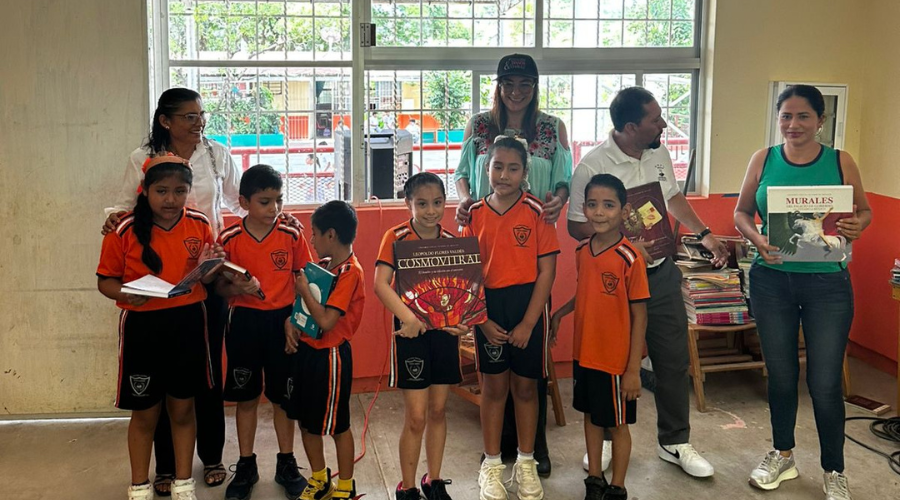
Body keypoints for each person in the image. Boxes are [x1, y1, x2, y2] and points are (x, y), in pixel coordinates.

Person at [567, 86, 726, 479]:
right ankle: (603, 441)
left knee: (673, 360)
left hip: (660, 275)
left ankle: (674, 441)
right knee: (608, 364)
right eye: (656, 119)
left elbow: (672, 198)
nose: (663, 124)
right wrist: (621, 240)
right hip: (614, 283)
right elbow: (574, 225)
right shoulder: (591, 165)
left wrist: (703, 231)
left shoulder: (659, 153)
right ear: (630, 126)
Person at [734, 84, 871, 500]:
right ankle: (783, 453)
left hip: (827, 283)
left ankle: (834, 470)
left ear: (820, 120)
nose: (793, 125)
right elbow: (741, 212)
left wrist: (856, 225)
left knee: (826, 382)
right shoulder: (763, 159)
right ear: (778, 119)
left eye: (803, 117)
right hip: (771, 279)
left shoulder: (839, 161)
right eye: (786, 116)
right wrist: (756, 239)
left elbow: (863, 211)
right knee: (781, 375)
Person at [102, 88, 242, 494]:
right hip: (155, 284)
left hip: (206, 280)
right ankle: (165, 468)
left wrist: (270, 227)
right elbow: (126, 208)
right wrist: (111, 221)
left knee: (206, 372)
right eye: (188, 117)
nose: (198, 123)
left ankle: (212, 456)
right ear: (166, 120)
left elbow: (239, 201)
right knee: (159, 387)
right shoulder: (141, 157)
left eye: (201, 115)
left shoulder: (215, 153)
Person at [455, 53, 571, 475]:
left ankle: (532, 449)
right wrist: (466, 198)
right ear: (498, 86)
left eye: (525, 83)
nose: (516, 91)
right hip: (488, 235)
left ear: (535, 86)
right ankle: (496, 451)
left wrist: (558, 199)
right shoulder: (479, 125)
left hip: (534, 240)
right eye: (509, 83)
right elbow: (463, 172)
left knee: (528, 368)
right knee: (496, 371)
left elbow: (563, 177)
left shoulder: (551, 127)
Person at [96, 156, 224, 500]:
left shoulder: (198, 224)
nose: (171, 199)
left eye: (180, 191)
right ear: (146, 191)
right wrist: (124, 294)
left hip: (187, 324)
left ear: (188, 192)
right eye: (162, 191)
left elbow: (204, 278)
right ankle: (139, 486)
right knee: (145, 411)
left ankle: (184, 483)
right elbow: (105, 281)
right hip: (143, 326)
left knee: (183, 409)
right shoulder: (122, 229)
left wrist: (207, 266)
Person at [461, 137, 559, 500]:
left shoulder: (537, 211)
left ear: (524, 172)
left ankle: (527, 462)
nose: (504, 175)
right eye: (497, 166)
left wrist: (530, 323)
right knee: (494, 388)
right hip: (489, 308)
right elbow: (468, 274)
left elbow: (547, 271)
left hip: (528, 305)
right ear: (486, 170)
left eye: (513, 168)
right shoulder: (473, 214)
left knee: (525, 388)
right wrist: (482, 319)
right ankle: (491, 465)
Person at [215, 165, 314, 500]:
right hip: (244, 324)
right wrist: (233, 284)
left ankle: (286, 462)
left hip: (283, 323)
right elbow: (216, 287)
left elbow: (306, 282)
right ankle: (246, 464)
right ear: (243, 201)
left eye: (279, 200)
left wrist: (295, 320)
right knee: (245, 398)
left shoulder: (292, 234)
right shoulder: (229, 239)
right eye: (264, 201)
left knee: (283, 399)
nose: (274, 208)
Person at [550, 174, 649, 500]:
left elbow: (639, 315)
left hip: (616, 361)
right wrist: (561, 313)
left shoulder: (630, 258)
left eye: (609, 205)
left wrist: (633, 369)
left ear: (624, 210)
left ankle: (617, 487)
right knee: (591, 418)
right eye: (592, 204)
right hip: (585, 355)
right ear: (584, 209)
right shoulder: (581, 250)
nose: (600, 212)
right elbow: (586, 293)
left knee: (618, 426)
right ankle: (595, 479)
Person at [374, 172, 470, 500]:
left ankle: (435, 480)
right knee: (416, 417)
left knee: (439, 411)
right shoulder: (396, 236)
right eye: (422, 203)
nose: (431, 210)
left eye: (438, 203)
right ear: (408, 204)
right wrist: (408, 318)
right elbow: (380, 284)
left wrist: (463, 319)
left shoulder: (451, 241)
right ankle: (408, 486)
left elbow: (462, 292)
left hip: (444, 336)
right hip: (410, 336)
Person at [284, 200, 365, 500]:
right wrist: (290, 323)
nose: (311, 240)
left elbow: (328, 321)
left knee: (337, 425)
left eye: (314, 233)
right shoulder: (324, 267)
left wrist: (303, 290)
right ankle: (319, 480)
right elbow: (305, 311)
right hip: (307, 353)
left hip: (330, 358)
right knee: (307, 423)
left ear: (331, 234)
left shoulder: (350, 273)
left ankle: (345, 485)